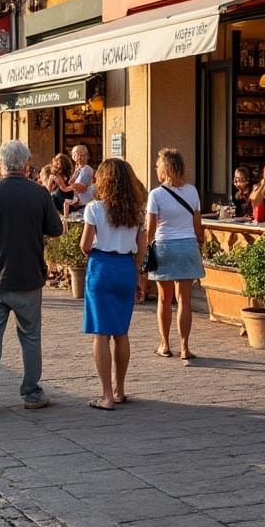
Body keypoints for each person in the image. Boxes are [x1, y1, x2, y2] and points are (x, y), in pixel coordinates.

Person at [0, 140, 63, 411]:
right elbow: (56, 231)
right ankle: (31, 392)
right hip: (29, 276)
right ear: (27, 164)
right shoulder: (39, 193)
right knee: (30, 336)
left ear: (0, 163)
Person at [80, 159, 148, 411]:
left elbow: (86, 245)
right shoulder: (137, 210)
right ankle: (119, 389)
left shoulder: (95, 208)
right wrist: (138, 275)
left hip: (101, 266)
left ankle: (106, 395)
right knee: (121, 333)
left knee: (101, 333)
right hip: (126, 267)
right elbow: (142, 249)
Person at [145, 148, 204, 361]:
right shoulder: (192, 191)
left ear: (164, 169)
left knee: (164, 299)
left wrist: (145, 248)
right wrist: (200, 243)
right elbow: (198, 226)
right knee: (184, 300)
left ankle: (165, 344)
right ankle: (185, 347)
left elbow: (150, 229)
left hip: (165, 246)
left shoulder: (156, 194)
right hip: (188, 245)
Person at [66, 145, 95, 215]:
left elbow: (81, 187)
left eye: (74, 154)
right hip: (78, 202)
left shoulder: (86, 170)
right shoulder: (79, 169)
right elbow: (71, 182)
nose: (73, 156)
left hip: (84, 204)